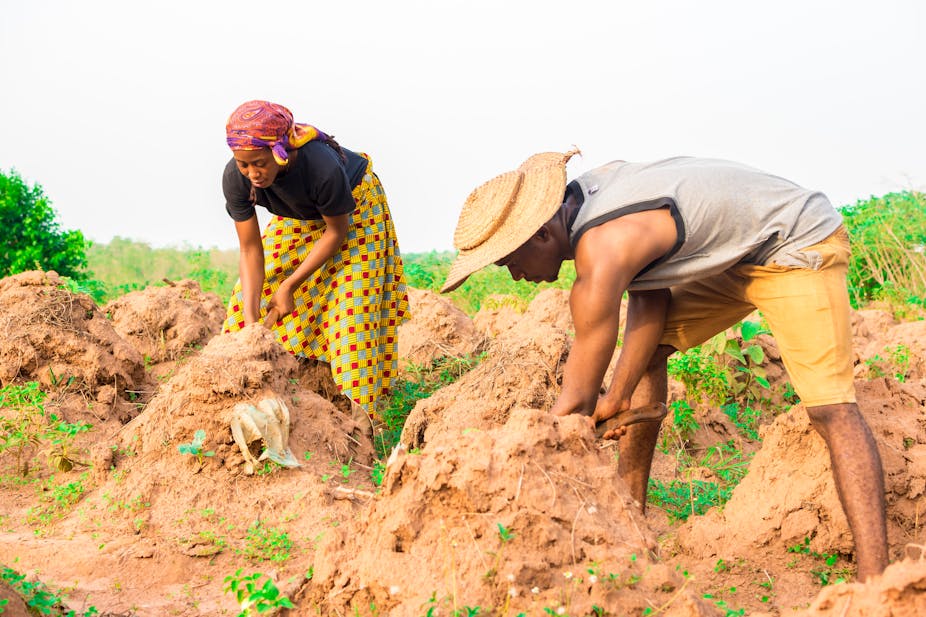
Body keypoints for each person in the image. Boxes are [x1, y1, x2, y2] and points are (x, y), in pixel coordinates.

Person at [441, 151, 888, 580]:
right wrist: (617, 396)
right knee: (649, 352)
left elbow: (576, 401)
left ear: (541, 235)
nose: (514, 275)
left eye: (509, 261)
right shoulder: (589, 196)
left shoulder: (603, 248)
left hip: (795, 241)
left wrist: (520, 461)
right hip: (737, 253)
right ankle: (632, 519)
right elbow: (650, 293)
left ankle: (877, 584)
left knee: (831, 410)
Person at [222, 100, 409, 417]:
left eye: (259, 163)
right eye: (244, 164)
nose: (252, 173)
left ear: (280, 152)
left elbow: (336, 232)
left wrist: (290, 286)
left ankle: (363, 425)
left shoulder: (319, 166)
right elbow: (251, 249)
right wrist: (253, 323)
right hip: (298, 217)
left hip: (354, 214)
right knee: (242, 307)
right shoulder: (236, 178)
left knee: (353, 317)